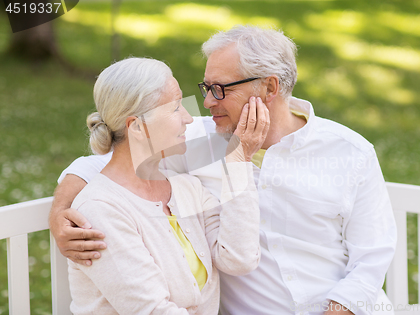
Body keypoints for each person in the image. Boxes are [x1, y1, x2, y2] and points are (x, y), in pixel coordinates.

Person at [50, 26, 397, 315]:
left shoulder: (350, 152)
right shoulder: (194, 136)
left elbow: (372, 260)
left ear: (270, 88)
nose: (206, 103)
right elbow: (113, 155)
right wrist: (62, 212)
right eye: (205, 87)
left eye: (219, 89)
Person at [61, 57, 269, 314]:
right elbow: (152, 310)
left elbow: (239, 259)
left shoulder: (186, 189)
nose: (188, 119)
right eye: (176, 108)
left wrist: (240, 160)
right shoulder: (100, 210)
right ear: (136, 127)